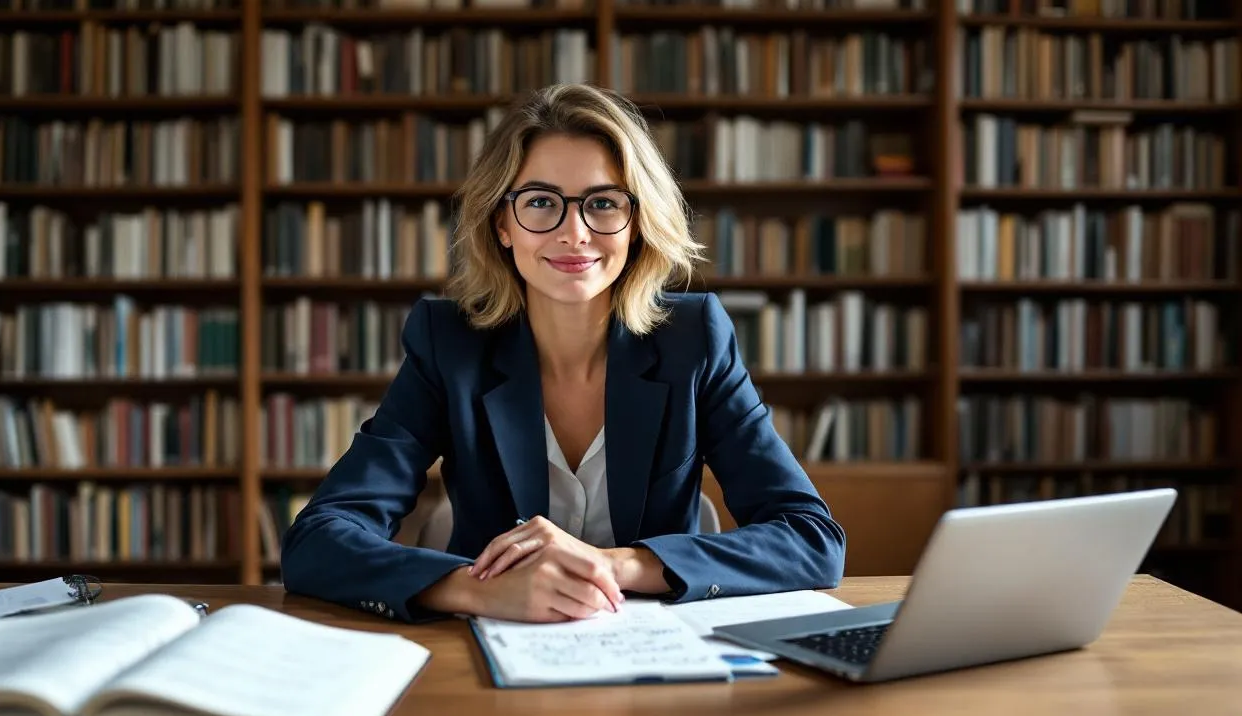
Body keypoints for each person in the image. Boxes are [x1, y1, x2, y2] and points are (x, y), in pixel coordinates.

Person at [280, 83, 846, 624]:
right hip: (491, 654)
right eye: (541, 202)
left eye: (602, 203)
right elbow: (319, 538)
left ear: (637, 222)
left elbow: (810, 538)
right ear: (503, 223)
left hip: (657, 654)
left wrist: (617, 565)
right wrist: (476, 590)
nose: (574, 232)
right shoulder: (447, 344)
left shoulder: (694, 340)